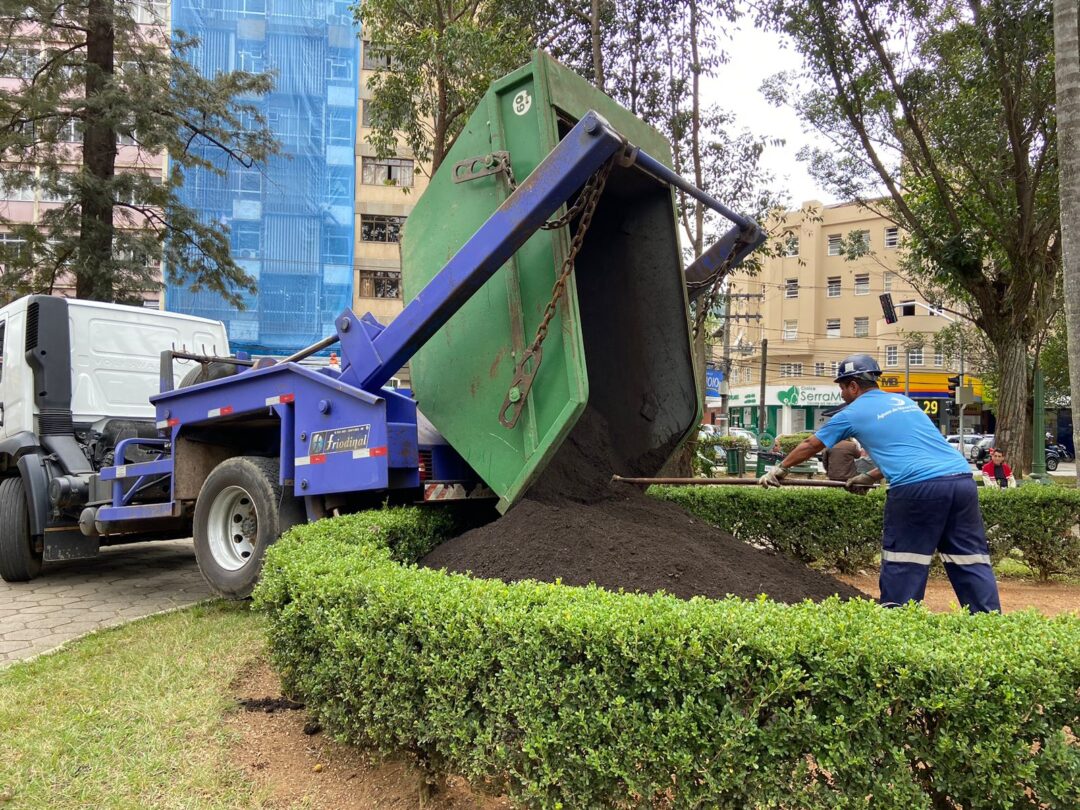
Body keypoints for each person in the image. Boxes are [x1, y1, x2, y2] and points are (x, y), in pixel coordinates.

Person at [758, 353, 1001, 613]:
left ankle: (897, 623)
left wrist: (780, 469)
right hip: (961, 481)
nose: (841, 394)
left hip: (918, 489)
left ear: (853, 386)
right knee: (970, 559)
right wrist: (871, 475)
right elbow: (910, 449)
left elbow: (810, 444)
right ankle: (988, 622)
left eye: (842, 388)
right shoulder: (904, 402)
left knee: (904, 560)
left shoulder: (852, 413)